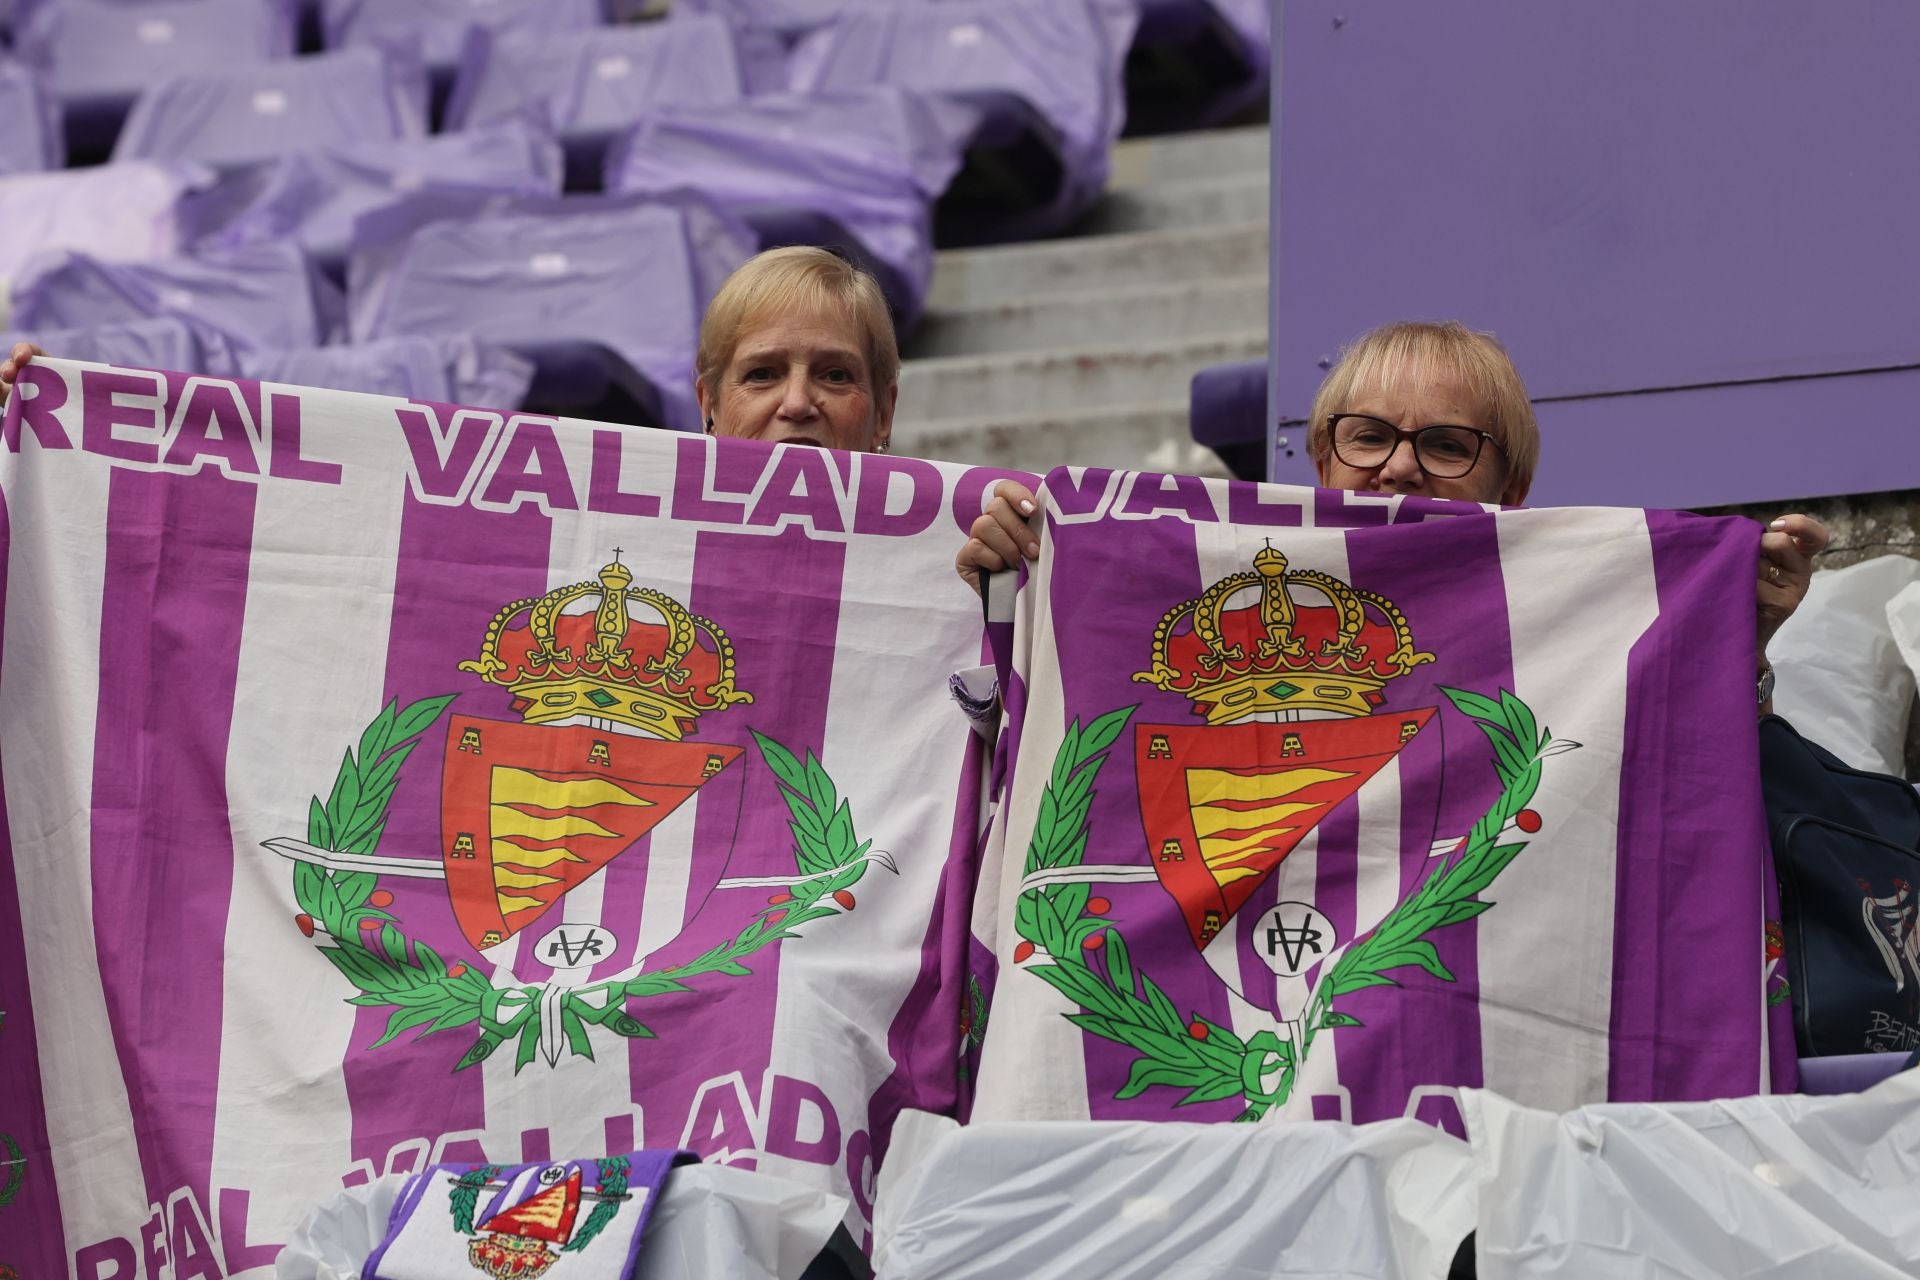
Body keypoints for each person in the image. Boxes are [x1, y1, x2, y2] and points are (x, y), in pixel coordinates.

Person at [955, 320, 1826, 710]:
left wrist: (1739, 641)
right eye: (1369, 436)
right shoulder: (1193, 580)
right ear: (1323, 460)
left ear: (1511, 489)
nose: (1400, 466)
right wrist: (1011, 595)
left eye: (1447, 445)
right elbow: (1036, 740)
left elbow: (1683, 775)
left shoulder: (1575, 616)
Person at [2, 245, 902, 457]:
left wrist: (1003, 585)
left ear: (885, 409)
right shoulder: (623, 537)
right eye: (762, 373)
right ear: (706, 401)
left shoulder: (961, 558)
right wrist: (61, 443)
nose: (797, 402)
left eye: (835, 374)